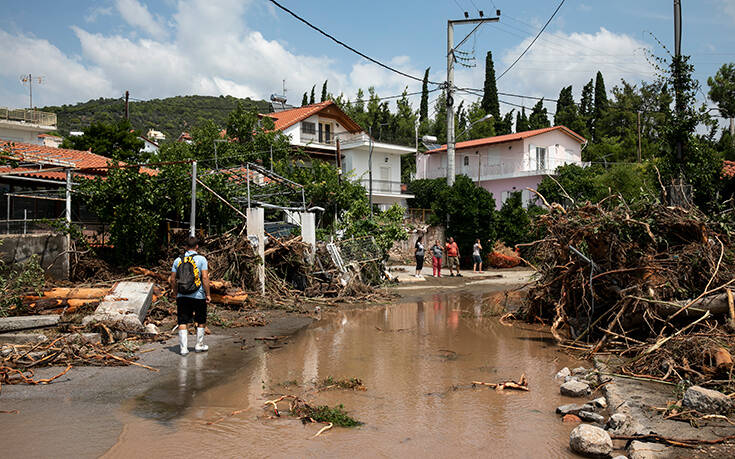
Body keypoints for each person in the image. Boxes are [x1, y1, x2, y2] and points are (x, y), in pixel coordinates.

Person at [169, 236, 211, 356]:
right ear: (197, 246)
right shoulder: (202, 259)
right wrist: (208, 294)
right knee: (201, 319)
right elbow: (204, 278)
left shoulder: (178, 260)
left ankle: (183, 349)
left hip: (182, 295)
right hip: (198, 295)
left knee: (182, 321)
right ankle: (199, 345)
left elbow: (172, 279)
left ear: (185, 247)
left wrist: (175, 292)